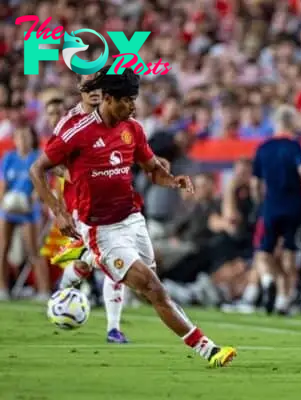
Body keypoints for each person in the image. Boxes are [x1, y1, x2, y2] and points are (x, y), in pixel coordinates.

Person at [29, 66, 236, 368]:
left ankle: (83, 264)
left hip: (133, 220)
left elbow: (152, 169)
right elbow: (37, 169)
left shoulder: (133, 129)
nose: (133, 106)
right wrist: (59, 212)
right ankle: (208, 349)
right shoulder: (78, 132)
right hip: (101, 229)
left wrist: (172, 180)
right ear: (109, 99)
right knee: (154, 288)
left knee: (148, 290)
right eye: (128, 100)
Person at [46, 73, 131, 344]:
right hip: (79, 206)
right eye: (88, 85)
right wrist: (76, 174)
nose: (94, 90)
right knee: (114, 261)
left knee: (91, 263)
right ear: (80, 88)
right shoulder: (68, 123)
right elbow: (50, 162)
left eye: (98, 85)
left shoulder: (116, 118)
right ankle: (113, 328)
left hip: (113, 206)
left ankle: (62, 294)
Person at [252, 105, 301, 314]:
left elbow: (256, 184)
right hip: (294, 206)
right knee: (290, 253)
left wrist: (260, 204)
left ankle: (268, 280)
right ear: (291, 122)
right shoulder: (295, 146)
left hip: (271, 205)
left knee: (264, 251)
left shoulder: (263, 148)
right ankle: (284, 300)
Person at [0, 125, 49, 301]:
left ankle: (44, 291)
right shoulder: (9, 158)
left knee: (34, 250)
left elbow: (41, 185)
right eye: (19, 137)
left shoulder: (37, 158)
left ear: (31, 139)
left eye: (26, 137)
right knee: (2, 248)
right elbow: (3, 184)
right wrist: (4, 201)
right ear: (14, 140)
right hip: (8, 209)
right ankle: (3, 289)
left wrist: (33, 200)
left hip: (29, 210)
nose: (22, 140)